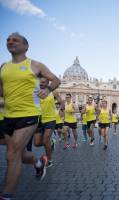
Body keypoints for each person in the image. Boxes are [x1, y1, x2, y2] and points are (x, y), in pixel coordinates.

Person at [0, 32, 60, 199]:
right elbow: (1, 92)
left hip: (29, 113)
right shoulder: (3, 67)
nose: (10, 42)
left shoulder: (35, 65)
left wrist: (47, 89)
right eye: (8, 40)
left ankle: (7, 195)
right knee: (15, 153)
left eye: (15, 40)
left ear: (26, 46)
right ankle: (38, 162)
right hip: (9, 115)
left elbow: (55, 80)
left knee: (12, 154)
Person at [34, 77, 62, 168]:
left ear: (48, 83)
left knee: (45, 139)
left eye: (43, 82)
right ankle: (51, 142)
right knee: (37, 143)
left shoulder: (53, 91)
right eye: (40, 82)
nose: (41, 84)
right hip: (39, 120)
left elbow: (61, 101)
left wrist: (61, 109)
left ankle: (49, 160)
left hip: (50, 119)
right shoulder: (35, 92)